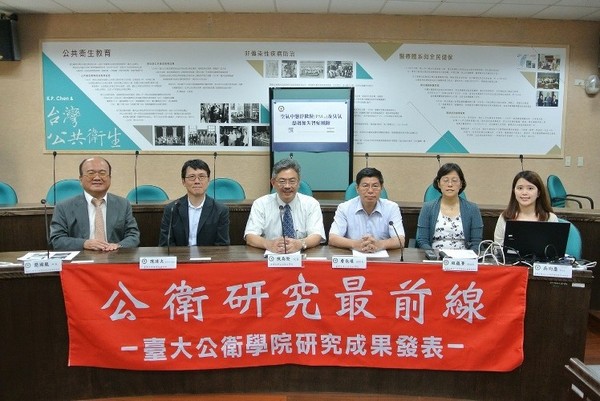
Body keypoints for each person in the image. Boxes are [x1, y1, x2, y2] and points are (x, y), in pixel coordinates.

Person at [49, 156, 140, 251]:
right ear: (81, 179)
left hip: (114, 256)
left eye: (102, 173)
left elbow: (133, 236)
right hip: (81, 257)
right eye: (91, 173)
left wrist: (119, 245)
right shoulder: (64, 207)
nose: (97, 178)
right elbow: (57, 240)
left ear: (110, 178)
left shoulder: (123, 204)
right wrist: (84, 244)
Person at [244, 158, 325, 253]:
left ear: (298, 183)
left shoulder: (311, 204)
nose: (287, 186)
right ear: (273, 183)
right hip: (271, 256)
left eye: (292, 181)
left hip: (302, 255)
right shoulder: (261, 204)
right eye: (282, 181)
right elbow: (250, 236)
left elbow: (317, 235)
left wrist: (300, 244)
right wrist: (269, 244)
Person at [328, 167, 405, 253]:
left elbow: (400, 240)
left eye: (375, 186)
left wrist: (380, 244)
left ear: (381, 188)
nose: (370, 191)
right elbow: (333, 238)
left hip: (382, 256)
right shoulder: (344, 208)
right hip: (353, 257)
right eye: (365, 186)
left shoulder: (392, 208)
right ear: (357, 189)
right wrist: (355, 244)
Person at [159, 159, 230, 246]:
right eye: (192, 177)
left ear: (208, 180)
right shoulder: (172, 209)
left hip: (208, 255)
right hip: (180, 254)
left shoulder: (220, 210)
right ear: (183, 181)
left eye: (202, 176)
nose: (197, 181)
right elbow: (165, 245)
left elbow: (222, 245)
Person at [416, 163, 483, 252]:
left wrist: (467, 257)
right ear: (439, 184)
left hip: (463, 258)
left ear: (461, 184)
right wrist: (432, 255)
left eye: (454, 180)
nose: (450, 184)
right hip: (435, 256)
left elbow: (476, 243)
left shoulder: (472, 209)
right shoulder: (427, 208)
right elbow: (422, 240)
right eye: (445, 180)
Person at [493, 170, 558, 244]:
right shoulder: (504, 217)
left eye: (530, 188)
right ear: (514, 191)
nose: (524, 193)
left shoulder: (550, 218)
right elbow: (497, 248)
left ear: (538, 193)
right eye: (520, 188)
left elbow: (555, 249)